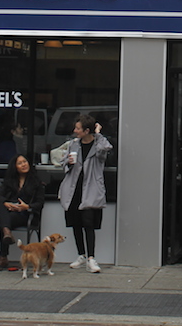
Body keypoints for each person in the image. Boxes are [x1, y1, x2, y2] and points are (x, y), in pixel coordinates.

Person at [59, 114, 112, 273]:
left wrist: (98, 132)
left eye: (78, 128)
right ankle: (81, 254)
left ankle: (91, 258)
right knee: (75, 223)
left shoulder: (98, 145)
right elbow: (62, 163)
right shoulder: (73, 145)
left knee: (88, 223)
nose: (75, 131)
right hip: (74, 189)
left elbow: (106, 148)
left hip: (91, 189)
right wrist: (68, 162)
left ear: (87, 130)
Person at [0, 154, 45, 271]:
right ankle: (7, 233)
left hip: (26, 214)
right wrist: (6, 203)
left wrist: (26, 207)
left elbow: (40, 203)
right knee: (0, 208)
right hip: (10, 213)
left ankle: (3, 257)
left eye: (25, 162)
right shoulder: (10, 181)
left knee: (4, 222)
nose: (24, 165)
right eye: (20, 163)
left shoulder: (36, 182)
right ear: (15, 167)